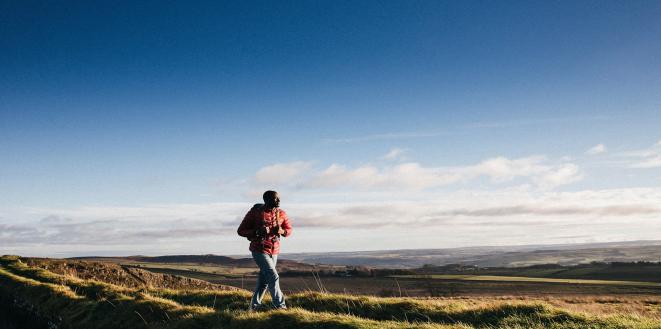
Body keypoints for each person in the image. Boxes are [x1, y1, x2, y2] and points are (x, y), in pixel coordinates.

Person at [237, 190, 293, 310]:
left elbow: (289, 230)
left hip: (275, 250)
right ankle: (280, 306)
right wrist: (257, 232)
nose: (278, 201)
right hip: (259, 250)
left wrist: (282, 231)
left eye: (279, 198)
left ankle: (254, 307)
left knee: (264, 281)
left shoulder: (281, 213)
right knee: (273, 276)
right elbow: (241, 230)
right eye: (275, 199)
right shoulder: (255, 213)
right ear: (267, 200)